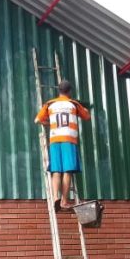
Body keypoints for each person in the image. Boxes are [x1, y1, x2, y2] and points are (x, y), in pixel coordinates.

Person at [35, 80, 91, 211]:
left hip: (55, 140)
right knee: (67, 171)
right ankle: (64, 201)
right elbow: (87, 117)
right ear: (69, 91)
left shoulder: (50, 104)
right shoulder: (73, 104)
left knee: (56, 170)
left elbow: (37, 120)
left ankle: (55, 197)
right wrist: (86, 110)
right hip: (68, 139)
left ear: (59, 90)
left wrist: (50, 123)